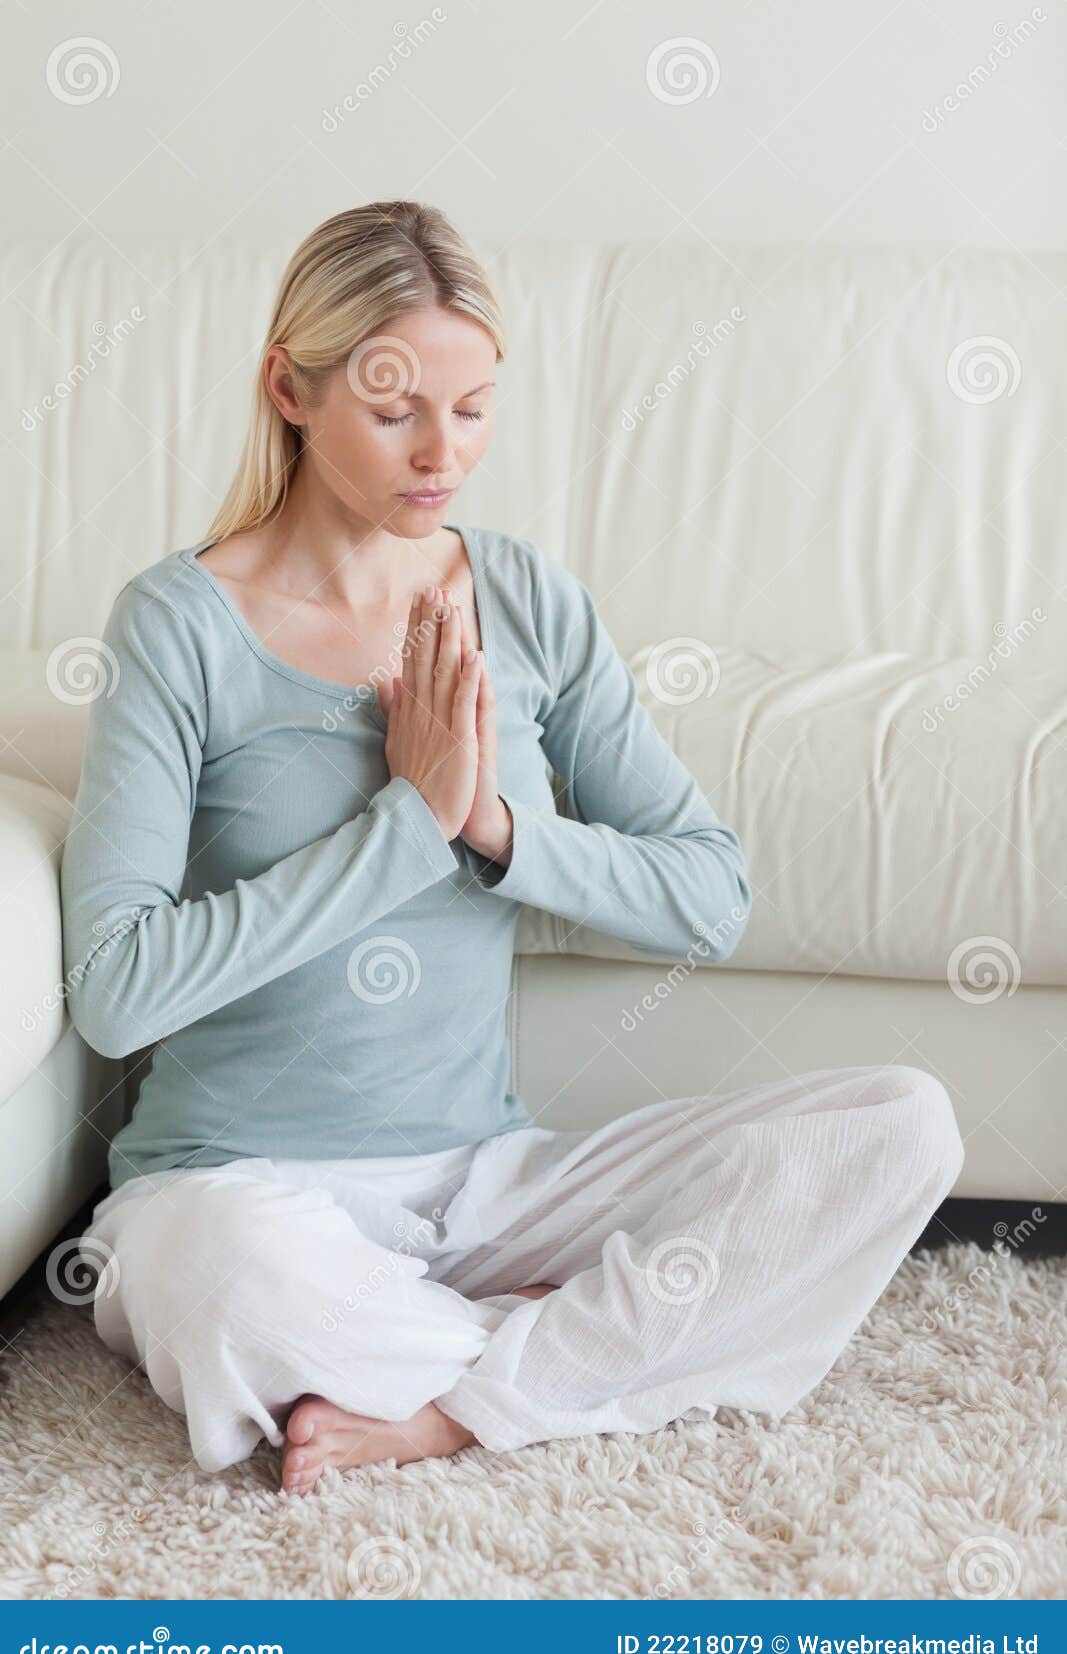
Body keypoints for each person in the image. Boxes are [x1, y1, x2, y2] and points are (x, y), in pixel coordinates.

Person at [59, 201, 964, 1496]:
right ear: (291, 390)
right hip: (243, 1185)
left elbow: (712, 893)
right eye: (397, 409)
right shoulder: (177, 623)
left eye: (475, 406)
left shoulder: (529, 599)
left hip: (487, 1189)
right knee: (208, 1273)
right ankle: (548, 1359)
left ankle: (438, 1401)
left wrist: (493, 831)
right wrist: (405, 824)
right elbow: (118, 984)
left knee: (901, 1124)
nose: (445, 452)